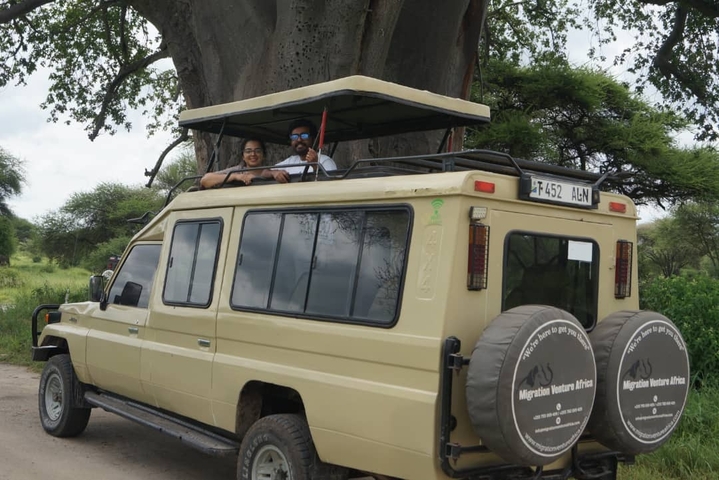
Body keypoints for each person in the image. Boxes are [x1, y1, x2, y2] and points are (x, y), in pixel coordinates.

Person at [264, 119, 337, 183]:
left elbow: (333, 185)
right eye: (294, 136)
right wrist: (274, 173)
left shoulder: (325, 160)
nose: (299, 140)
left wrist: (315, 166)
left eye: (304, 135)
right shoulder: (290, 161)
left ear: (313, 139)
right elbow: (264, 172)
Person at [200, 138, 284, 188]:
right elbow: (205, 180)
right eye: (248, 151)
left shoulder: (271, 172)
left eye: (257, 151)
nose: (253, 154)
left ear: (264, 155)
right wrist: (236, 176)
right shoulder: (237, 170)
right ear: (243, 156)